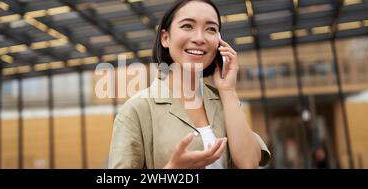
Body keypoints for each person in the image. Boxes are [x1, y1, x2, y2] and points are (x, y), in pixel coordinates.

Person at [108, 0, 270, 169]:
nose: (199, 38)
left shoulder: (225, 101)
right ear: (165, 38)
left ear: (219, 42)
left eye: (211, 29)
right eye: (187, 26)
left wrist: (228, 90)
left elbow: (249, 164)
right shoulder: (137, 109)